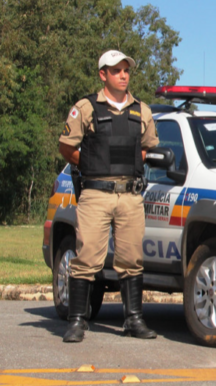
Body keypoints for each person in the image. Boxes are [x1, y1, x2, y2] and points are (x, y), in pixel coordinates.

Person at [58, 50, 159, 342]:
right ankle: (77, 321)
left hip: (129, 195)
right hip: (96, 194)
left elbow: (146, 148)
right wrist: (89, 164)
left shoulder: (142, 110)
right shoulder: (86, 108)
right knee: (87, 256)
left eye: (126, 70)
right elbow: (67, 146)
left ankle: (134, 320)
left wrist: (129, 167)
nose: (123, 75)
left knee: (131, 258)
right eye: (116, 70)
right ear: (103, 74)